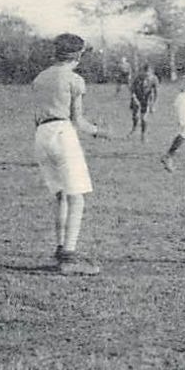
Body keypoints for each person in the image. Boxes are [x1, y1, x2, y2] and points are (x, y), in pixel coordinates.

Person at [32, 33, 111, 275]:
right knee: (76, 197)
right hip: (62, 133)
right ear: (76, 55)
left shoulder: (40, 77)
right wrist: (100, 131)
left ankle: (61, 251)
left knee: (61, 195)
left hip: (41, 134)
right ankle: (69, 256)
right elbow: (79, 122)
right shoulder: (74, 79)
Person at [128, 62, 160, 141]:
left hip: (147, 99)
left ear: (151, 73)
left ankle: (143, 134)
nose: (146, 76)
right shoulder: (138, 78)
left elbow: (156, 93)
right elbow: (132, 90)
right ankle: (134, 128)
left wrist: (153, 105)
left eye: (148, 74)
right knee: (135, 116)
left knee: (144, 118)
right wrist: (134, 99)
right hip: (137, 97)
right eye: (144, 73)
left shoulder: (154, 79)